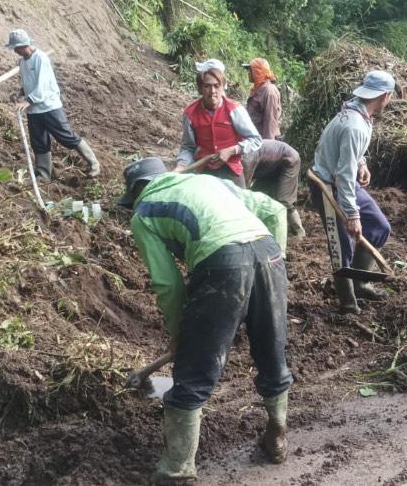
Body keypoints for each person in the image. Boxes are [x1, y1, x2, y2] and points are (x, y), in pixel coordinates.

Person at [117, 157, 293, 483]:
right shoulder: (210, 181)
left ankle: (177, 470)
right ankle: (277, 434)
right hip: (268, 253)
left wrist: (179, 334)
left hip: (221, 263)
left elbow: (168, 285)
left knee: (193, 373)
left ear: (136, 191)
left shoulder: (144, 213)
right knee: (271, 353)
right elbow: (276, 210)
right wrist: (276, 261)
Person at [310, 70, 396, 314]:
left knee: (379, 227)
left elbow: (349, 154)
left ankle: (360, 283)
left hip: (342, 182)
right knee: (342, 247)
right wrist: (353, 215)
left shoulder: (361, 114)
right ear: (385, 96)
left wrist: (361, 162)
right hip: (328, 186)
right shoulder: (354, 125)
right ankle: (347, 303)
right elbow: (344, 176)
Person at [5, 29, 100, 179]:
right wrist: (20, 93)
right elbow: (28, 83)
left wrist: (27, 101)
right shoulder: (22, 63)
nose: (15, 51)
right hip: (33, 111)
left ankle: (94, 164)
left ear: (24, 45)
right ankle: (44, 174)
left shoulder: (41, 58)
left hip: (50, 107)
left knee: (66, 137)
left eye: (16, 48)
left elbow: (41, 86)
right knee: (39, 142)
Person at [176, 59, 262, 188]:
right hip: (203, 170)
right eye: (207, 86)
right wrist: (181, 166)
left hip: (231, 169)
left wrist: (232, 150)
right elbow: (188, 147)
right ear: (200, 89)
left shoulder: (235, 110)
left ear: (223, 87)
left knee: (238, 200)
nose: (212, 91)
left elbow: (255, 139)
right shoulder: (190, 114)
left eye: (216, 86)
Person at [243, 139, 306, 237]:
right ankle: (260, 230)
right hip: (269, 167)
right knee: (256, 197)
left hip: (289, 161)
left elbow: (243, 189)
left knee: (284, 200)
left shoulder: (247, 157)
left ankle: (299, 232)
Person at [244, 58, 283, 141]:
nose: (249, 73)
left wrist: (267, 144)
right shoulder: (258, 89)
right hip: (256, 137)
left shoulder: (269, 91)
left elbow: (271, 121)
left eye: (250, 71)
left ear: (258, 72)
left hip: (265, 139)